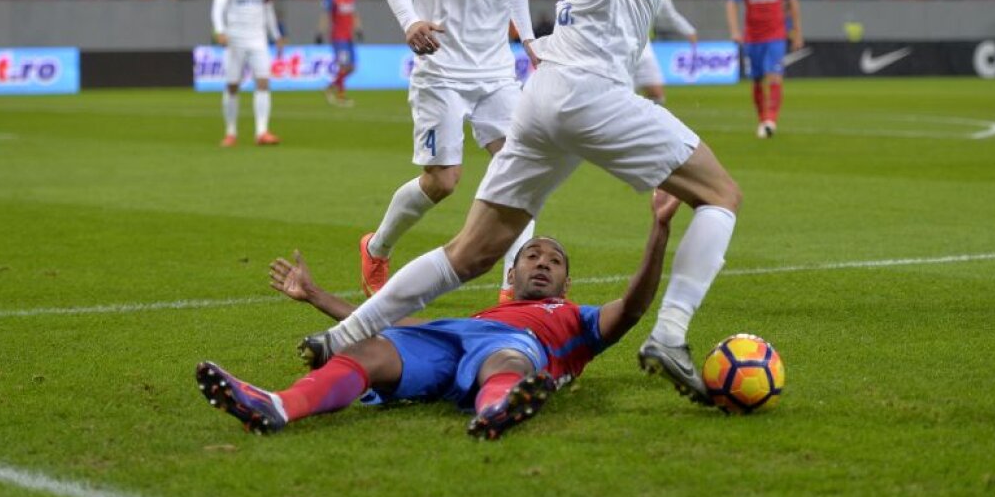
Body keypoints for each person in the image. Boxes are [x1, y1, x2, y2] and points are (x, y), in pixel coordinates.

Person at [302, 0, 826, 405]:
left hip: (543, 96)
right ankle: (670, 334)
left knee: (473, 251)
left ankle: (342, 336)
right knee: (721, 196)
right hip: (591, 93)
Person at [196, 191, 682, 440]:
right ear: (510, 274)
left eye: (554, 261)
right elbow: (390, 321)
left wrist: (659, 230)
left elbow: (635, 307)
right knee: (367, 348)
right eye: (532, 256)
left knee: (507, 358)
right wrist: (317, 295)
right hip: (456, 340)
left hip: (516, 352)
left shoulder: (576, 318)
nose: (542, 263)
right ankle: (278, 407)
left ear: (567, 284)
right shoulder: (482, 312)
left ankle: (498, 407)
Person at [359, 0, 540, 301]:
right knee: (443, 182)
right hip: (442, 69)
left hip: (497, 71)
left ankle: (512, 290)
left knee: (518, 171)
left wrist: (529, 40)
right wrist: (411, 21)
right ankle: (377, 246)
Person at [211, 0, 283, 147]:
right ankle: (231, 132)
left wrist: (276, 35)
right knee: (233, 85)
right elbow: (218, 7)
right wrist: (220, 30)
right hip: (235, 39)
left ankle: (262, 132)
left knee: (263, 82)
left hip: (258, 39)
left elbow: (268, 11)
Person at [726, 0, 803, 138]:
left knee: (775, 76)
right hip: (752, 37)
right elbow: (731, 3)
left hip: (776, 34)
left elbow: (792, 2)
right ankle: (762, 120)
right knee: (757, 79)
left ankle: (770, 120)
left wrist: (797, 32)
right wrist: (735, 31)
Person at [634, 0, 698, 105]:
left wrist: (689, 31)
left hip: (644, 46)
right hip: (618, 46)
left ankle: (646, 122)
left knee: (657, 94)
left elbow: (670, 15)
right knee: (622, 96)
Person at [320, 0, 361, 107]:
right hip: (338, 37)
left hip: (349, 37)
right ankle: (341, 96)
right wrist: (321, 32)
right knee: (343, 66)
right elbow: (326, 14)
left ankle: (330, 88)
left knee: (352, 67)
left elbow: (354, 14)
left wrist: (358, 29)